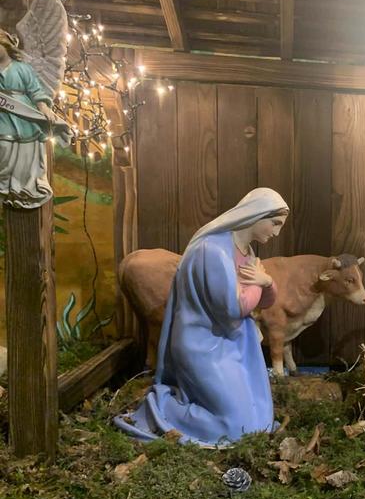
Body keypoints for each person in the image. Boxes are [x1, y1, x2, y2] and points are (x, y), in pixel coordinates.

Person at [114, 188, 289, 446]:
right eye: (274, 223)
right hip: (204, 345)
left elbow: (265, 301)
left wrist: (267, 282)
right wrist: (258, 283)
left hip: (236, 345)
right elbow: (233, 308)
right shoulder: (213, 250)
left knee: (259, 421)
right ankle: (162, 407)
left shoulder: (246, 251)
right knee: (236, 428)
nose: (276, 232)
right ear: (257, 213)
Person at [0, 29, 59, 208]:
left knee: (26, 153)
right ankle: (3, 185)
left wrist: (43, 107)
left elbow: (35, 91)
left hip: (24, 115)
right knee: (3, 147)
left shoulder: (22, 68)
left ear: (6, 46)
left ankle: (22, 188)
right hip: (3, 116)